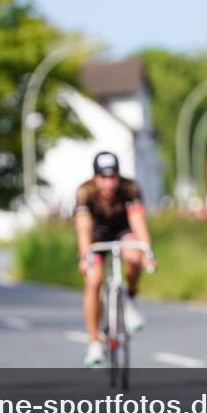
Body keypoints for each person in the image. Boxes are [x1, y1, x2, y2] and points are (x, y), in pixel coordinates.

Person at [74, 151, 156, 367]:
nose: (109, 183)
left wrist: (147, 252)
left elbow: (138, 223)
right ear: (95, 178)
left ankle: (131, 297)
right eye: (103, 177)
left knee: (134, 255)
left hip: (122, 230)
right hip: (96, 235)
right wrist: (85, 258)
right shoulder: (85, 192)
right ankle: (93, 342)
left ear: (119, 176)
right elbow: (83, 229)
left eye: (113, 177)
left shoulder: (130, 188)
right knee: (94, 280)